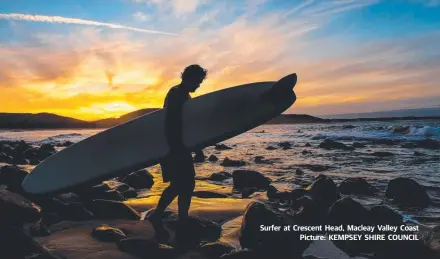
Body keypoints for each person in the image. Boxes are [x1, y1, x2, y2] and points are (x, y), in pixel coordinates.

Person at [148, 64, 207, 244]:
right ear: (189, 78)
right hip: (174, 147)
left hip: (177, 146)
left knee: (180, 184)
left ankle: (162, 215)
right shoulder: (177, 95)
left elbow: (186, 125)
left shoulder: (181, 94)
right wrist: (181, 148)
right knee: (186, 182)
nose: (198, 85)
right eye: (197, 81)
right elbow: (172, 123)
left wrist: (196, 148)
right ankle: (178, 219)